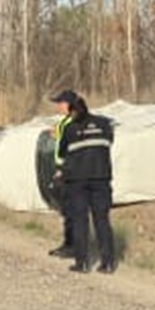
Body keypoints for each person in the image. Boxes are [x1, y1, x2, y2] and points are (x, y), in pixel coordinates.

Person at [57, 92, 116, 273]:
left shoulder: (70, 129)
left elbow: (61, 153)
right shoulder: (104, 124)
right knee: (102, 220)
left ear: (72, 111)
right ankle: (108, 263)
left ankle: (82, 263)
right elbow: (110, 141)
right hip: (101, 178)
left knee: (80, 221)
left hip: (77, 181)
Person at [36, 90, 79, 258]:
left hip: (70, 173)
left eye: (61, 103)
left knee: (71, 212)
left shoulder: (72, 122)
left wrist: (63, 170)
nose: (58, 106)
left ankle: (73, 247)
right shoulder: (67, 121)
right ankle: (71, 245)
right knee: (68, 211)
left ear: (68, 104)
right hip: (66, 171)